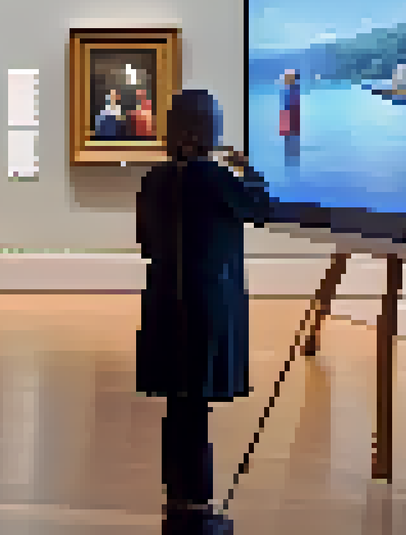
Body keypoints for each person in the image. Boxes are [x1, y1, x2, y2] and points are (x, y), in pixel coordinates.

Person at [136, 89, 273, 535]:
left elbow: (145, 241)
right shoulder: (213, 178)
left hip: (163, 306)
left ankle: (178, 504)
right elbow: (260, 206)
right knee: (194, 411)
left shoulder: (154, 179)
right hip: (204, 308)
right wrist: (248, 169)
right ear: (203, 129)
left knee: (178, 410)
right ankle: (196, 510)